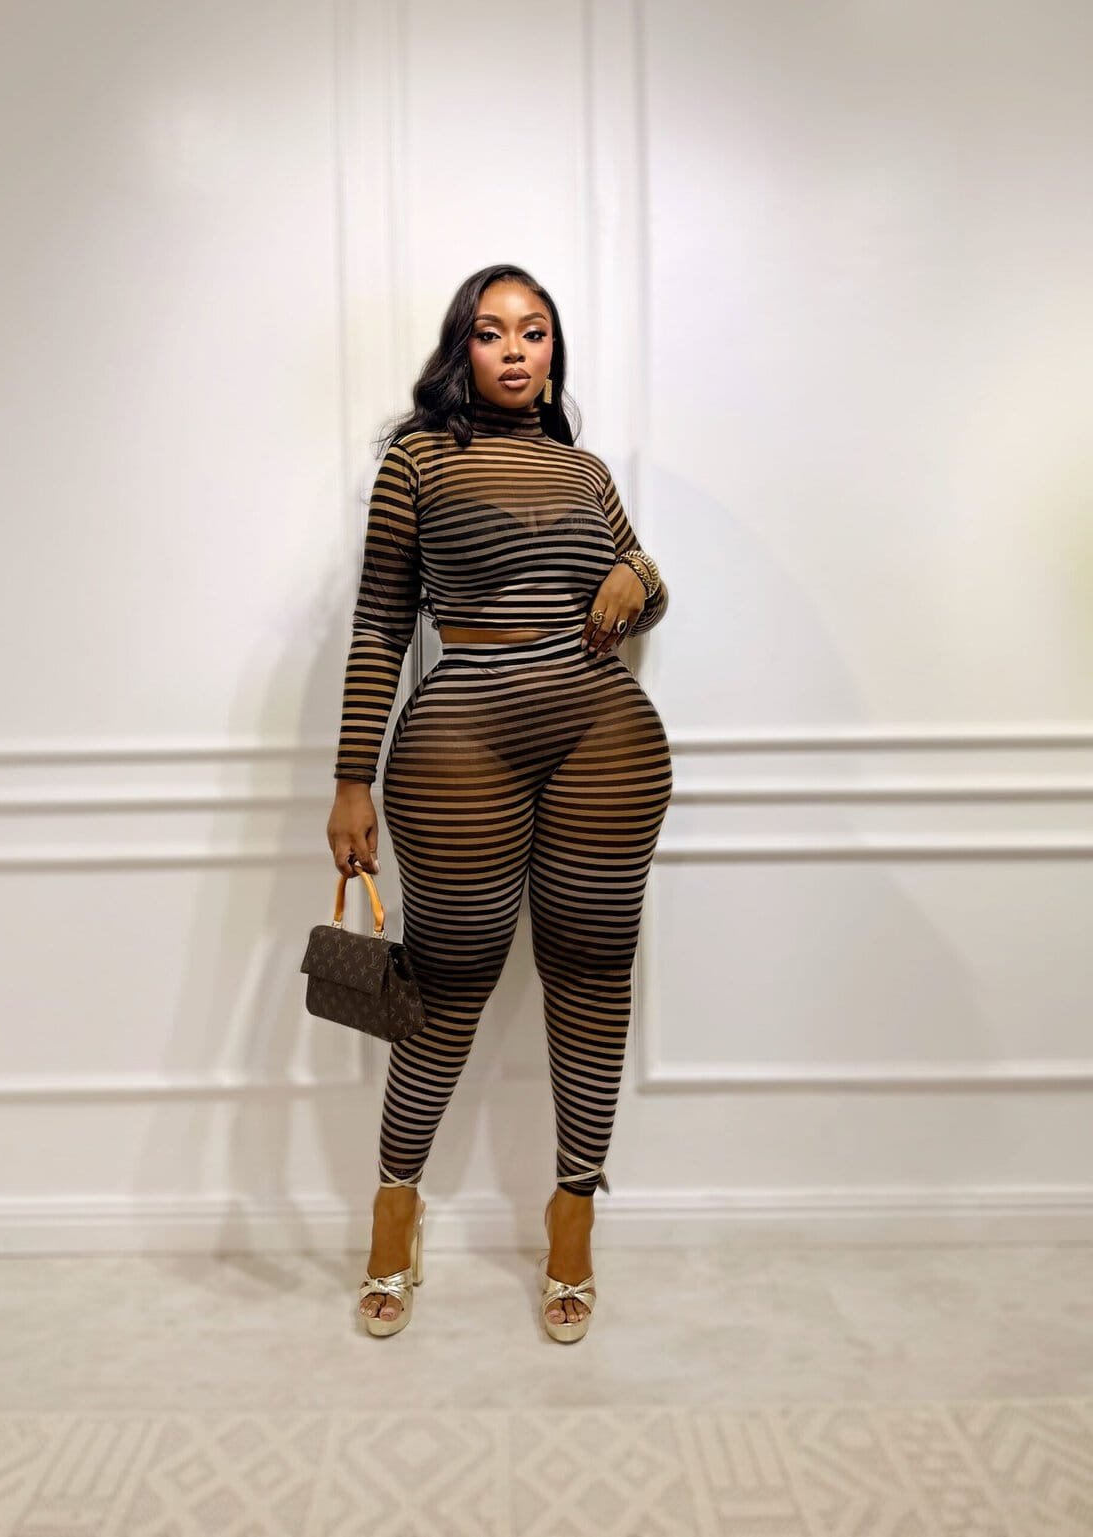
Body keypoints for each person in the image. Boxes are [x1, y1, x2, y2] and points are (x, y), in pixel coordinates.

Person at [326, 263, 673, 1342]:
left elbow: (641, 583)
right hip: (459, 736)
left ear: (554, 350)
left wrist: (642, 579)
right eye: (491, 331)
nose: (515, 349)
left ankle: (573, 1220)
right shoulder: (417, 460)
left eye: (534, 331)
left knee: (592, 969)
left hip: (605, 735)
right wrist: (350, 777)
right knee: (447, 979)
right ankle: (395, 1211)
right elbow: (382, 621)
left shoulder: (584, 469)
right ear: (461, 349)